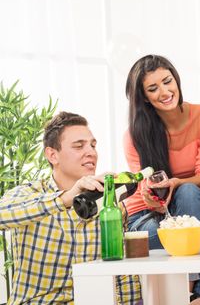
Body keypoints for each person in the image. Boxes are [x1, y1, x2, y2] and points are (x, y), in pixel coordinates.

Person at [0, 111, 141, 304]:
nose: (91, 151)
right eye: (79, 146)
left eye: (93, 145)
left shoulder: (107, 203)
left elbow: (122, 275)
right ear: (52, 155)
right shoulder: (29, 193)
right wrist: (65, 199)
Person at [123, 54, 200, 299]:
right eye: (153, 88)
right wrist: (153, 199)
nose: (164, 91)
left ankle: (196, 297)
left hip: (185, 211)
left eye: (167, 81)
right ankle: (194, 289)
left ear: (176, 79)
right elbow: (143, 191)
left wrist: (177, 183)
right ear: (145, 98)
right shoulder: (134, 134)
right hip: (146, 220)